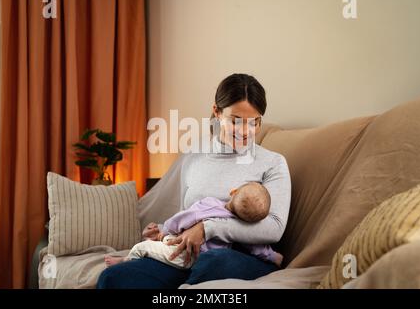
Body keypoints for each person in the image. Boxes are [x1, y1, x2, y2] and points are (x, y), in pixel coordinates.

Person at [97, 73, 292, 288]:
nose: (245, 132)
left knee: (213, 262)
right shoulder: (194, 157)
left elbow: (274, 228)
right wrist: (163, 231)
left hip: (242, 256)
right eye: (235, 121)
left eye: (254, 122)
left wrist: (207, 229)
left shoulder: (272, 163)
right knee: (112, 277)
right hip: (190, 255)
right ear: (217, 112)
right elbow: (187, 213)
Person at [104, 182, 283, 269]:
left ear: (233, 191)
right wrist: (274, 257)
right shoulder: (238, 228)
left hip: (187, 255)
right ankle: (156, 239)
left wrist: (164, 228)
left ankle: (126, 259)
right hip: (193, 254)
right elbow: (256, 247)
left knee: (144, 247)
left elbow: (182, 219)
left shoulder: (209, 204)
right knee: (161, 244)